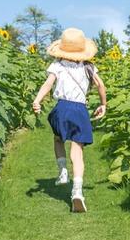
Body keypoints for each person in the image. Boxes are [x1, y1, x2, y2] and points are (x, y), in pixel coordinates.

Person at [32, 28, 107, 213]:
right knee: (77, 151)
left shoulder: (57, 65)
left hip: (62, 108)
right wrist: (103, 104)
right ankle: (77, 192)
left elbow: (48, 84)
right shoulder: (89, 67)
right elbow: (100, 85)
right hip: (80, 110)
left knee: (58, 139)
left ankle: (63, 170)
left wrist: (37, 100)